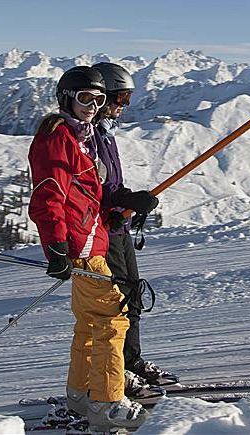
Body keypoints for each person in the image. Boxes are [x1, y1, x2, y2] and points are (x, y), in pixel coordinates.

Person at [27, 65, 147, 433]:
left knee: (90, 324)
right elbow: (48, 197)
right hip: (81, 244)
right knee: (112, 320)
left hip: (92, 239)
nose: (92, 106)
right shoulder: (57, 138)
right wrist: (57, 248)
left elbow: (86, 195)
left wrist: (122, 202)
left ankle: (80, 396)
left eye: (98, 99)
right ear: (67, 98)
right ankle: (107, 404)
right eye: (84, 99)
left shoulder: (80, 137)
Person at [92, 62, 179, 393]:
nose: (123, 106)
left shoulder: (106, 134)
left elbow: (110, 183)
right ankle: (118, 368)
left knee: (132, 294)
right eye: (121, 98)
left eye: (127, 99)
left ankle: (131, 360)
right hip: (103, 230)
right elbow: (92, 188)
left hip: (117, 225)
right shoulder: (89, 137)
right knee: (117, 300)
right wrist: (125, 200)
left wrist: (129, 204)